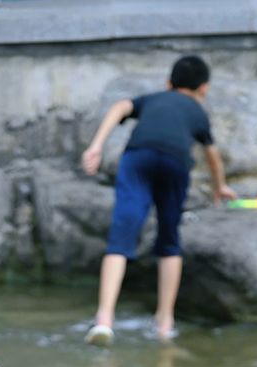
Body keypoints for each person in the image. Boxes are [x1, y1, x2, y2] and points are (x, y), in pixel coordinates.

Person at [81, 54, 234, 344]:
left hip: (139, 156)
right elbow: (212, 156)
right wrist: (220, 187)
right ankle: (164, 321)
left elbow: (120, 106)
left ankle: (104, 319)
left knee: (122, 233)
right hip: (176, 163)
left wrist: (96, 147)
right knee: (169, 237)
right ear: (204, 89)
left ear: (168, 83)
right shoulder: (198, 112)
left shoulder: (153, 98)